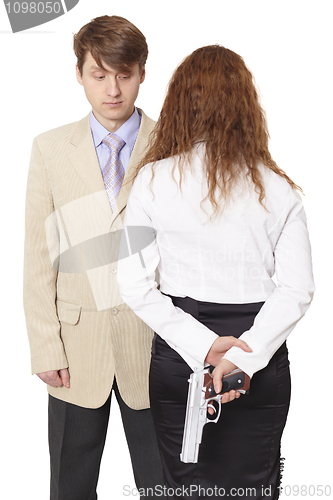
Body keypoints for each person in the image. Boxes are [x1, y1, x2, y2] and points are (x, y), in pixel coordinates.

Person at [117, 45, 315, 499]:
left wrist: (205, 348)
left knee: (184, 488)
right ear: (246, 107)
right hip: (258, 349)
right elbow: (297, 291)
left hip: (180, 352)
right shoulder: (280, 189)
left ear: (180, 105)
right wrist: (240, 360)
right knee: (253, 487)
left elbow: (134, 284)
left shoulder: (150, 181)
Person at [23, 15, 164, 500]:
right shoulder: (49, 150)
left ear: (142, 73)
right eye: (99, 74)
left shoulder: (174, 146)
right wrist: (45, 347)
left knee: (167, 485)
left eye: (124, 74)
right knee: (70, 487)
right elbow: (39, 257)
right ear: (79, 74)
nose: (112, 89)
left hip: (156, 349)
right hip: (74, 351)